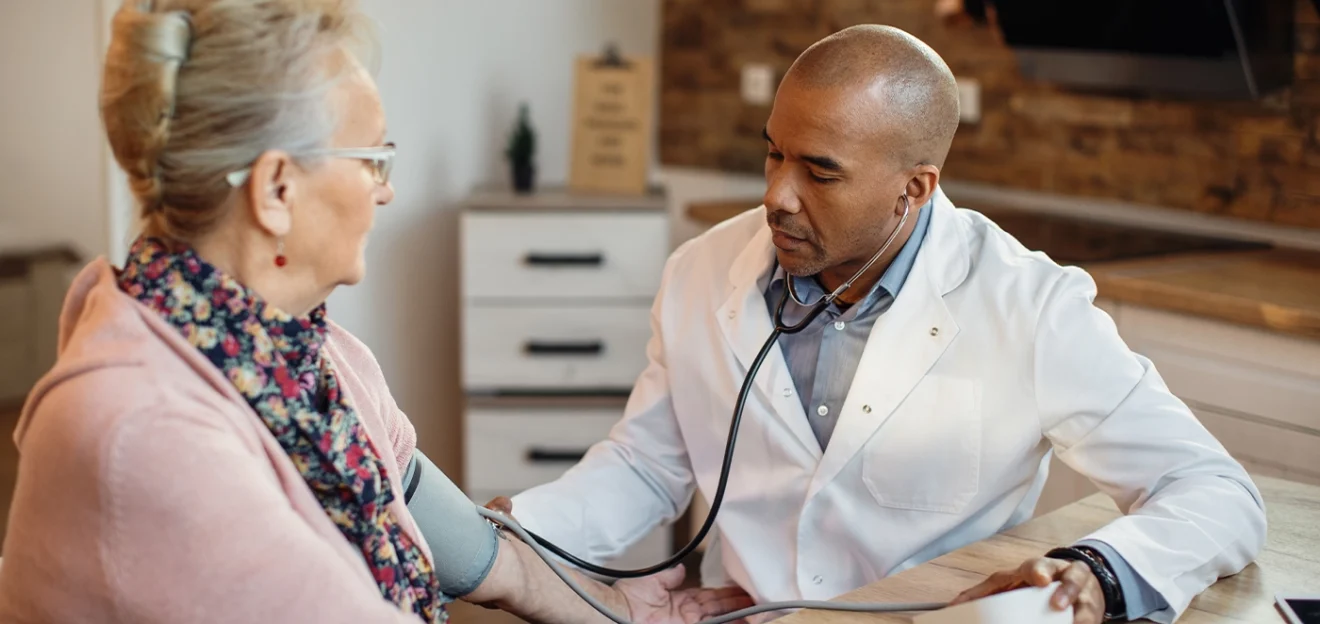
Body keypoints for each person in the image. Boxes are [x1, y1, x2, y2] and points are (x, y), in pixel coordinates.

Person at [0, 1, 752, 623]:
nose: (386, 192)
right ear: (276, 190)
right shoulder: (150, 435)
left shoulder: (305, 355)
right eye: (373, 162)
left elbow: (461, 539)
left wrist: (613, 607)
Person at [499, 24, 1267, 624]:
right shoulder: (702, 269)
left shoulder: (1028, 305)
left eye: (820, 171)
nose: (778, 196)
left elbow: (1212, 490)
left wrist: (1099, 572)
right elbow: (646, 466)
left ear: (915, 188)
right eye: (773, 155)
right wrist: (514, 534)